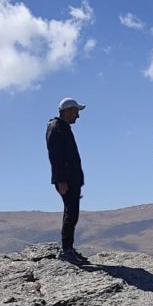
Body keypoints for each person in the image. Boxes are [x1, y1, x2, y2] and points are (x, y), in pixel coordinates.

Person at [46, 97, 88, 263]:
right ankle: (66, 250)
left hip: (71, 179)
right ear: (68, 111)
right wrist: (61, 180)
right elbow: (55, 156)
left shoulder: (62, 127)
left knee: (72, 213)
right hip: (66, 180)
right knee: (71, 214)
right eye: (76, 111)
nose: (77, 116)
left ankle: (68, 248)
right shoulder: (56, 128)